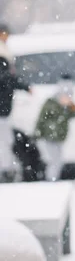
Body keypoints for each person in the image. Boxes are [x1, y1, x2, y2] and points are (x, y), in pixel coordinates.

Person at [0, 22, 31, 182]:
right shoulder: (2, 55)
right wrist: (24, 86)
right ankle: (5, 171)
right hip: (2, 106)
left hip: (4, 105)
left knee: (6, 139)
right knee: (5, 140)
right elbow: (6, 79)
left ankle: (7, 169)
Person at [34, 73, 75, 181]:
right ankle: (51, 179)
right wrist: (38, 133)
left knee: (57, 159)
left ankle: (52, 178)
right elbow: (42, 119)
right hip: (50, 136)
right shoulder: (50, 103)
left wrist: (70, 105)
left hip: (59, 137)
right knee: (55, 160)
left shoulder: (67, 106)